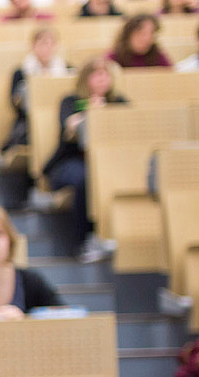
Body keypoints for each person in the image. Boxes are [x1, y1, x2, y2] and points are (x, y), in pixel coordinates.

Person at [45, 57, 127, 262]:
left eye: (106, 74)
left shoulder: (119, 102)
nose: (102, 79)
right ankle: (83, 240)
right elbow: (69, 126)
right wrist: (91, 112)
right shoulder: (71, 101)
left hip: (111, 162)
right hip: (71, 162)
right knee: (87, 178)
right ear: (85, 79)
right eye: (96, 74)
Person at [5, 27, 70, 150]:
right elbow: (15, 104)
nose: (47, 48)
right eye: (43, 43)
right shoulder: (21, 72)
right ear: (33, 46)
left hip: (59, 116)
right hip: (29, 120)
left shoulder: (67, 69)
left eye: (51, 43)